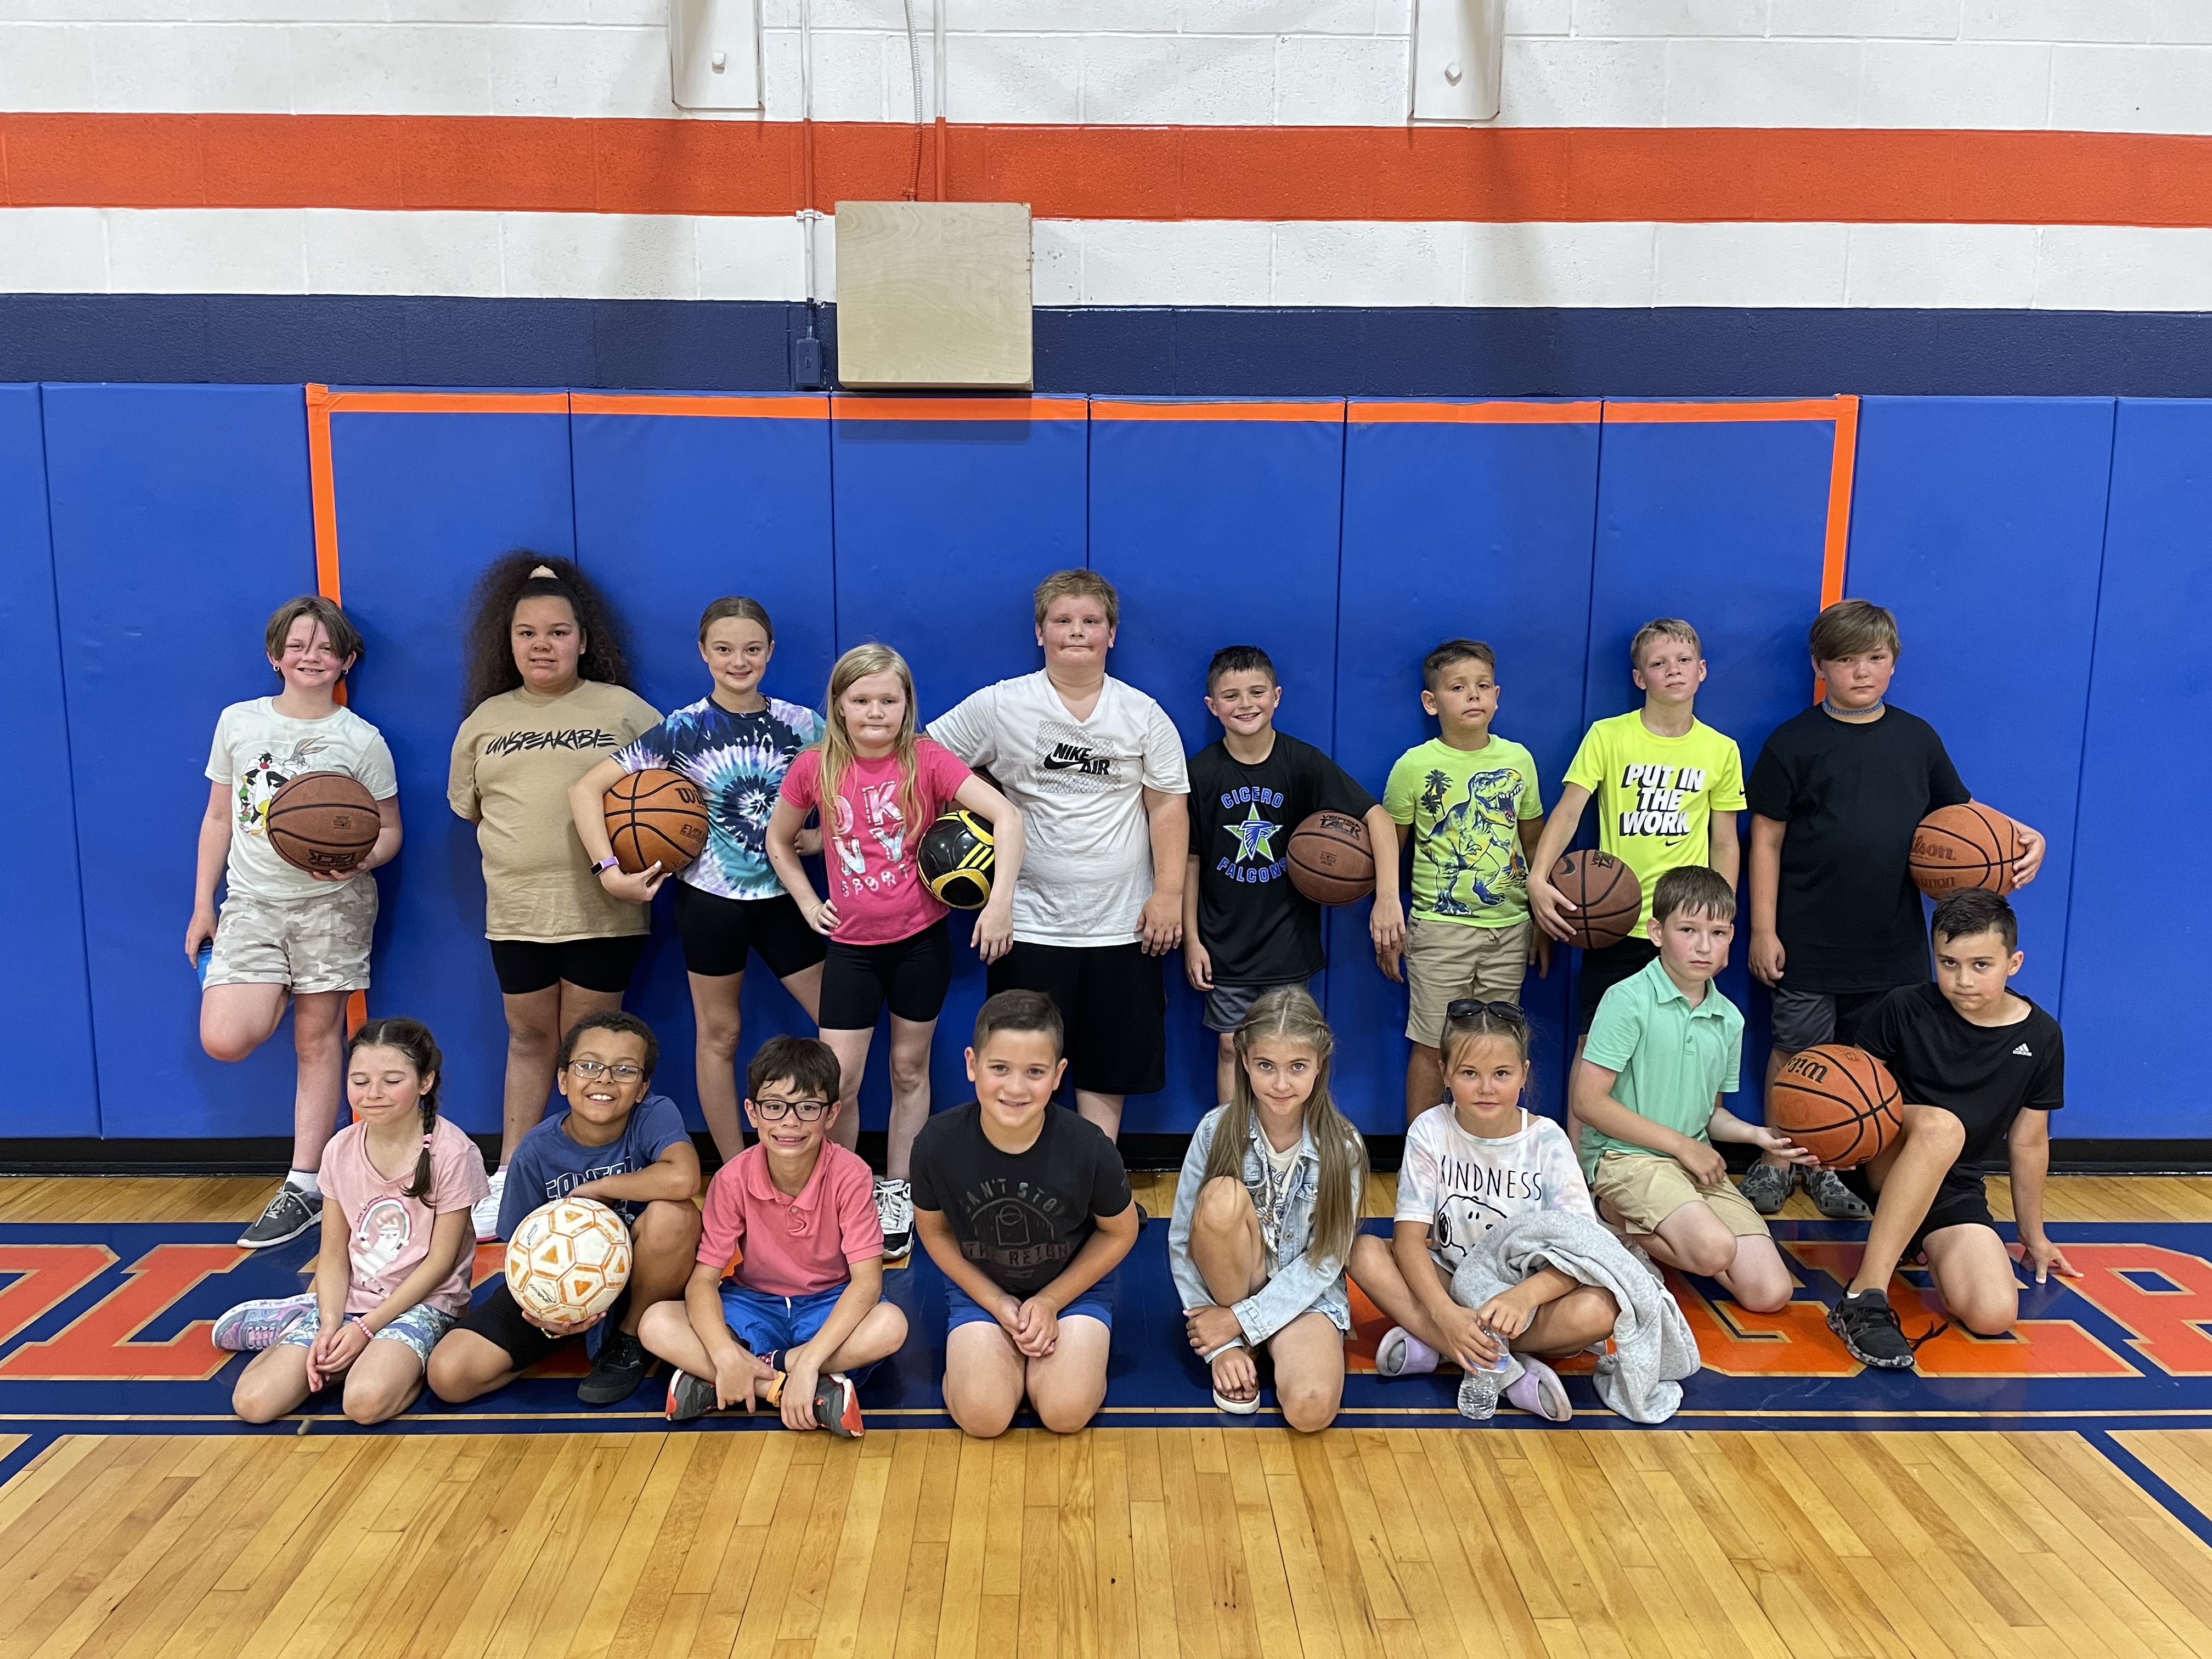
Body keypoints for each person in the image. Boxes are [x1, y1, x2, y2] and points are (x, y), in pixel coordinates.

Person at [1745, 599, 2045, 1220]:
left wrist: (2026, 834)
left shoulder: (1917, 738)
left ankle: (1833, 1164)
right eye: (1847, 660)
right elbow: (1766, 839)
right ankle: (1778, 1158)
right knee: (1797, 1051)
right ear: (1820, 665)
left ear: (1893, 664)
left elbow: (1968, 818)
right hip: (1808, 936)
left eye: (1875, 659)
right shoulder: (1793, 742)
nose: (1862, 672)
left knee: (1870, 1062)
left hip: (1892, 940)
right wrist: (1764, 928)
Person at [766, 643, 1025, 1261]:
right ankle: (843, 1189)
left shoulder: (927, 762)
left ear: (907, 705)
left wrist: (999, 904)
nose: (875, 711)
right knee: (842, 1082)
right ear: (840, 705)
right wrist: (807, 903)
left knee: (909, 1070)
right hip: (852, 952)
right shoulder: (815, 767)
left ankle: (897, 1192)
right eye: (861, 700)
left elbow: (1009, 819)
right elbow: (778, 839)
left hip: (919, 945)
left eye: (889, 699)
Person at [927, 571, 1189, 1139]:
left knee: (1106, 1069)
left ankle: (1095, 1188)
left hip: (1124, 925)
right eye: (1063, 621)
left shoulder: (1143, 713)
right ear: (1040, 632)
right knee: (1022, 1068)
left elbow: (1168, 807)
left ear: (1112, 635)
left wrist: (1168, 894)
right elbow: (923, 757)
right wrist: (983, 799)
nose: (1078, 632)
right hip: (1028, 924)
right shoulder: (1001, 705)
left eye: (1091, 622)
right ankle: (1031, 1186)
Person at [567, 596, 826, 1163]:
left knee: (838, 1028)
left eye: (753, 649)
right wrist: (609, 872)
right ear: (704, 653)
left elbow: (863, 780)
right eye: (725, 649)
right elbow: (585, 789)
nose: (740, 661)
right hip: (711, 902)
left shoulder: (803, 724)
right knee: (720, 1036)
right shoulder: (681, 729)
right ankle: (736, 1172)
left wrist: (822, 838)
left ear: (770, 652)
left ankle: (815, 1158)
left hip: (786, 898)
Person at [450, 554, 660, 1239]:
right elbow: (473, 810)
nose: (543, 645)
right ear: (508, 645)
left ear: (584, 640)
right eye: (528, 634)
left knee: (593, 1051)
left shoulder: (625, 711)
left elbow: (676, 799)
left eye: (559, 632)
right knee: (530, 1039)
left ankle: (597, 1177)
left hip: (604, 909)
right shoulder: (486, 718)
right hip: (516, 911)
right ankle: (513, 1173)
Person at [193, 596, 404, 1249]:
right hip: (252, 903)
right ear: (274, 655)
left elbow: (391, 831)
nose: (310, 656)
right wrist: (204, 904)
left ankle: (304, 1184)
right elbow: (220, 818)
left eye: (324, 646)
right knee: (226, 1038)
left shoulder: (360, 739)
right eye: (297, 644)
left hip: (332, 907)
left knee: (318, 1040)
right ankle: (266, 987)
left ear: (346, 659)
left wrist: (354, 859)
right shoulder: (239, 722)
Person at [1522, 618, 1759, 1183]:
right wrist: (1538, 879)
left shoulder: (1720, 749)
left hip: (1686, 927)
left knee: (1681, 1048)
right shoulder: (1610, 735)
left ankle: (1670, 1155)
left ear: (1701, 671)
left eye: (1683, 661)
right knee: (1593, 1044)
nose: (1672, 671)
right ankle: (1577, 1180)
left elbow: (1726, 839)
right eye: (1659, 663)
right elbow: (1570, 811)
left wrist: (1719, 916)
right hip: (1616, 923)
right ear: (1639, 677)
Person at [1824, 890, 2078, 1369]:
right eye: (1948, 962)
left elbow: (2028, 1141)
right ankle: (1863, 1294)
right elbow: (1855, 1097)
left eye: (1981, 965)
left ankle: (1916, 1238)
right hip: (1883, 1157)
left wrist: (2034, 1236)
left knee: (1993, 1313)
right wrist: (1831, 1144)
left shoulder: (2042, 1037)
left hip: (1953, 1182)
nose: (1962, 980)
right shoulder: (1903, 1007)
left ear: (2014, 962)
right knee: (1943, 1127)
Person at [1348, 1001, 1615, 1422]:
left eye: (1502, 1074)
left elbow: (1585, 1251)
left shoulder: (1548, 1140)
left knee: (1601, 1310)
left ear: (1524, 1074)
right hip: (1453, 1282)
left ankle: (1438, 1346)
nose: (1486, 1088)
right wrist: (1445, 1314)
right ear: (1445, 1074)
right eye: (1470, 1073)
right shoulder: (1430, 1130)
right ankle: (1502, 1370)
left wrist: (1524, 1297)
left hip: (1523, 1299)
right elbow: (1408, 1242)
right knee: (1363, 1251)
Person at [425, 1012, 702, 1408]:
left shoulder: (653, 1115)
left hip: (643, 1283)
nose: (604, 1079)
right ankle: (565, 1338)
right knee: (449, 1375)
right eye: (588, 1066)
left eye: (624, 1070)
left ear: (642, 1088)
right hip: (560, 1294)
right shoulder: (535, 1151)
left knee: (676, 1216)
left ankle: (629, 1340)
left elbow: (684, 1180)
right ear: (562, 1079)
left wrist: (600, 1188)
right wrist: (546, 1315)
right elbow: (518, 1251)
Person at [219, 1018, 486, 1425]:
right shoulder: (339, 1149)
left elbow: (440, 1263)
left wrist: (366, 1330)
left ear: (426, 1082)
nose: (373, 1094)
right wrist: (329, 1325)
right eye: (359, 1081)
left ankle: (382, 1357)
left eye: (392, 1080)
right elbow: (333, 1253)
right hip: (348, 1302)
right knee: (253, 1404)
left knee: (363, 1404)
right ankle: (302, 1318)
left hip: (423, 1303)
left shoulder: (454, 1153)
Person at [1570, 867, 1810, 1316]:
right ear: (1657, 932)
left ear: (1731, 938)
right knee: (1714, 1250)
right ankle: (1609, 1216)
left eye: (1718, 932)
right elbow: (1588, 1102)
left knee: (1770, 1293)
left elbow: (1711, 1115)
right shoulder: (1627, 999)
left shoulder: (1729, 1018)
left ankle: (1663, 1227)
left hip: (1689, 1162)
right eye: (1688, 930)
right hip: (1625, 1158)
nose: (1704, 945)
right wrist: (1682, 1146)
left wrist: (1759, 1136)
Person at [642, 1035, 910, 1435]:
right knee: (656, 1323)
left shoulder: (851, 1174)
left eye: (807, 1108)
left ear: (832, 1113)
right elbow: (703, 1281)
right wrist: (722, 1351)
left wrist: (809, 1359)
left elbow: (868, 1283)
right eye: (774, 1107)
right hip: (753, 1304)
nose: (790, 1122)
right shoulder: (731, 1179)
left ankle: (731, 1378)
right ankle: (790, 1390)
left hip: (827, 1304)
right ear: (752, 1112)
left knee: (891, 1325)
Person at [909, 990, 1140, 1436]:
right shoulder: (936, 1144)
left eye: (1034, 1072)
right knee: (983, 1417)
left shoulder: (1090, 1147)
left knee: (1064, 1412)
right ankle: (986, 1367)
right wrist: (995, 1302)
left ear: (1058, 1075)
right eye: (1000, 1069)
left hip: (1073, 1291)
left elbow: (1121, 1231)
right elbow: (934, 1233)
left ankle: (1058, 1367)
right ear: (972, 1064)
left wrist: (1051, 1301)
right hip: (983, 1289)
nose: (1015, 1088)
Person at [1183, 646, 1403, 1105]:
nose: (1246, 703)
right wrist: (1192, 939)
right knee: (1231, 1047)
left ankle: (1288, 1146)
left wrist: (1386, 898)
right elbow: (1190, 860)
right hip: (1223, 941)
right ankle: (1233, 1150)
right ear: (1212, 706)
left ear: (1277, 696)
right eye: (1231, 695)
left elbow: (1378, 819)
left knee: (1288, 1051)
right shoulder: (1201, 773)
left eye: (1257, 692)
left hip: (1288, 940)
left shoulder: (1301, 762)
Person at [1169, 987, 1365, 1430]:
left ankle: (1252, 1335)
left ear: (1320, 1064)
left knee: (1311, 1411)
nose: (1281, 1084)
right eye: (1266, 1066)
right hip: (1234, 1283)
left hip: (1305, 1296)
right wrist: (1222, 1343)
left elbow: (1327, 1260)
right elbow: (1182, 1240)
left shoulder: (1344, 1146)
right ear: (1244, 1062)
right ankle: (1239, 1346)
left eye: (1297, 1067)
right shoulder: (1214, 1131)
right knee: (1221, 1199)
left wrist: (1243, 1319)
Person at [1381, 639, 1547, 1122]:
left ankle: (1482, 1151)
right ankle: (1421, 1158)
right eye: (1458, 688)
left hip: (1510, 927)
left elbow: (1533, 845)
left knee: (1496, 1049)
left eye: (1481, 687)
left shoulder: (1519, 761)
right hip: (1438, 928)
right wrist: (1388, 914)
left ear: (1497, 695)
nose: (1472, 696)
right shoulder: (1414, 766)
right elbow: (1390, 847)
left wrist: (1539, 921)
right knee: (1434, 1044)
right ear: (1432, 702)